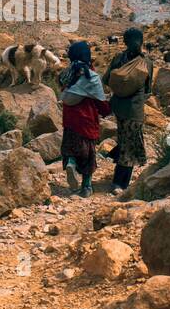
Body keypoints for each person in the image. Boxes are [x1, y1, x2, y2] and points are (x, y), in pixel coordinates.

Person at [104, 26, 154, 195]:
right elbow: (148, 89)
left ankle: (116, 162)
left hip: (118, 107)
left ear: (124, 42)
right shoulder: (147, 62)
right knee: (130, 144)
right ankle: (120, 183)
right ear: (141, 41)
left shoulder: (118, 58)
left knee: (125, 140)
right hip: (135, 109)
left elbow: (106, 79)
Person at [58, 40, 110, 198]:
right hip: (86, 120)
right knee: (88, 154)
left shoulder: (66, 73)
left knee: (71, 149)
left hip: (69, 119)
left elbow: (64, 91)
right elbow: (99, 101)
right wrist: (108, 110)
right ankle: (86, 186)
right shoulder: (91, 75)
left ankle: (71, 164)